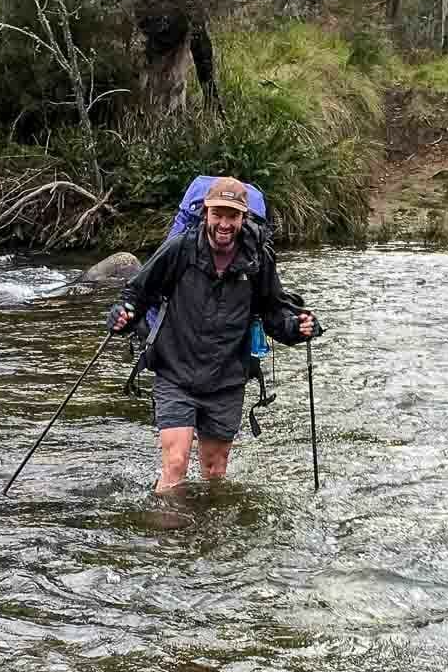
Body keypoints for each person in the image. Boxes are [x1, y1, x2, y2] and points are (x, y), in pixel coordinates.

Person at [109, 177, 320, 492]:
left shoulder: (257, 259)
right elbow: (138, 294)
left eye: (232, 216)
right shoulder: (180, 248)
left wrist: (298, 328)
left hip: (226, 378)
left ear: (243, 217)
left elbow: (274, 313)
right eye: (217, 214)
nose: (224, 223)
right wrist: (122, 316)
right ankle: (170, 539)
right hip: (175, 370)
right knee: (176, 463)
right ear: (205, 213)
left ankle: (210, 535)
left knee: (215, 470)